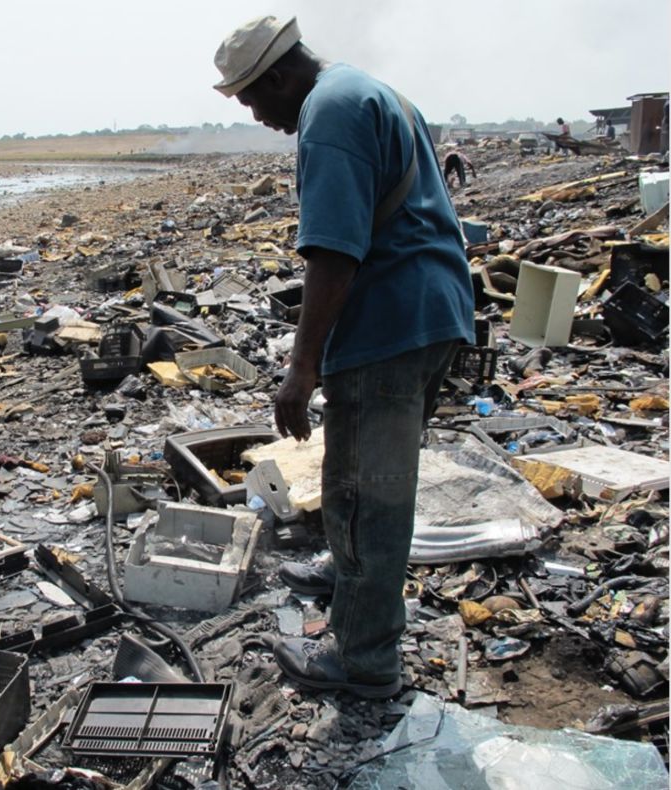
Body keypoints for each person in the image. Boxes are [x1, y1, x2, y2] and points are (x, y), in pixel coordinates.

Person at [213, 16, 474, 699]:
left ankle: (364, 660)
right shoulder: (365, 90)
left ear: (277, 77)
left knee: (371, 494)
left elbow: (333, 251)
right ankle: (348, 571)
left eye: (251, 99)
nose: (257, 114)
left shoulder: (326, 115)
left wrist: (302, 370)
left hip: (394, 319)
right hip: (427, 310)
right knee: (357, 466)